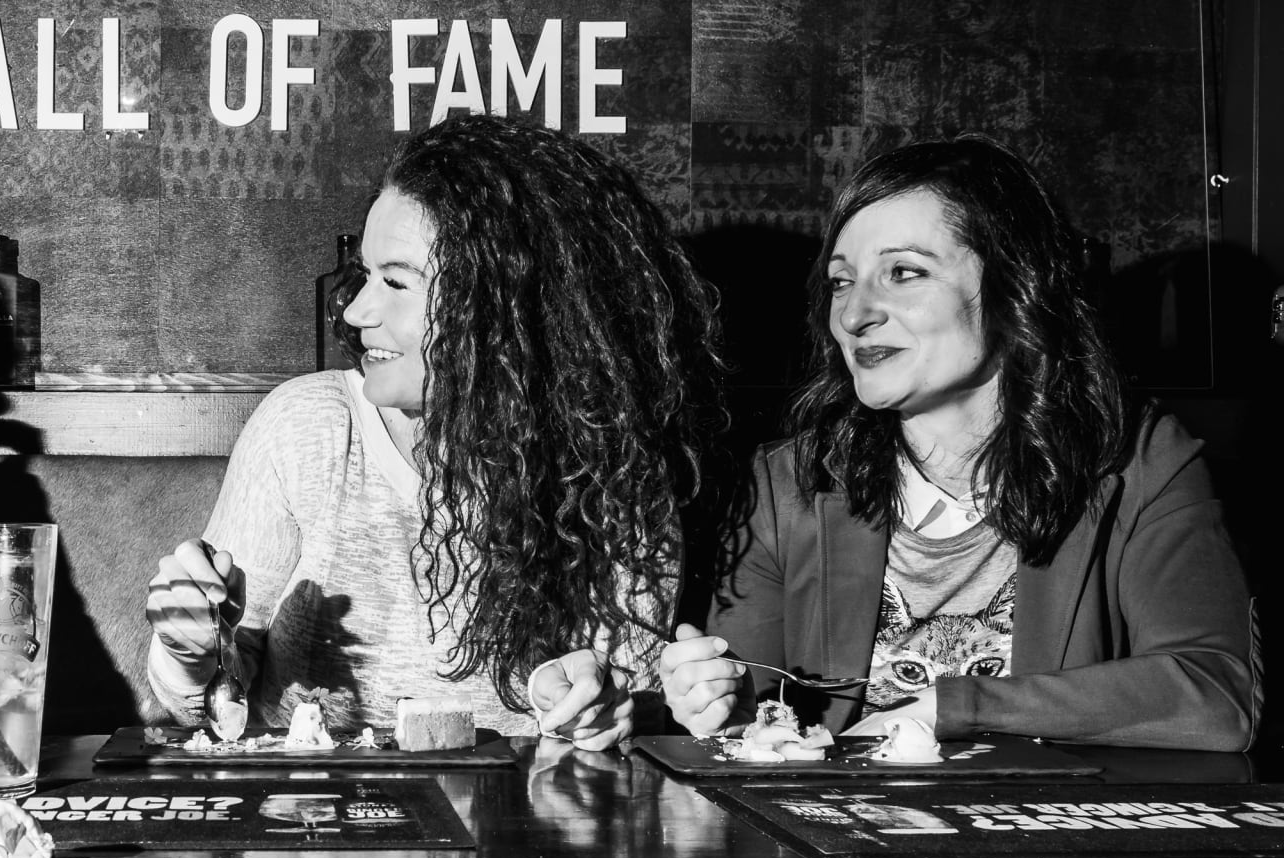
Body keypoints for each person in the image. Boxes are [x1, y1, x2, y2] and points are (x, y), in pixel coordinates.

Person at [144, 114, 725, 750]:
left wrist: (602, 711)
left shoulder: (615, 473)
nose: (359, 311)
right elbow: (202, 710)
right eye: (365, 277)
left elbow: (628, 715)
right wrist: (186, 650)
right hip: (310, 831)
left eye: (395, 282)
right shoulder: (306, 429)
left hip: (520, 839)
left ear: (508, 306)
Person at [661, 136, 1260, 751]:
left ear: (1014, 288)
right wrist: (717, 706)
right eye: (842, 283)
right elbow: (754, 716)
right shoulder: (789, 483)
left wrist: (950, 708)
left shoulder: (1138, 461)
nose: (856, 314)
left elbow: (1214, 696)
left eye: (905, 272)